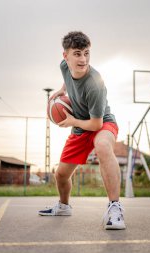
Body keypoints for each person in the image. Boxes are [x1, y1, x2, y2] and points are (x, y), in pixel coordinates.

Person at [38, 31, 126, 230]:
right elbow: (68, 77)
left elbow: (95, 124)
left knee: (102, 145)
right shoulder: (64, 67)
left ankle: (115, 208)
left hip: (101, 123)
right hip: (79, 128)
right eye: (77, 54)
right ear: (66, 56)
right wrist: (62, 90)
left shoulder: (95, 84)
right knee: (60, 175)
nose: (83, 59)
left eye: (86, 53)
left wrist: (71, 121)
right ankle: (63, 206)